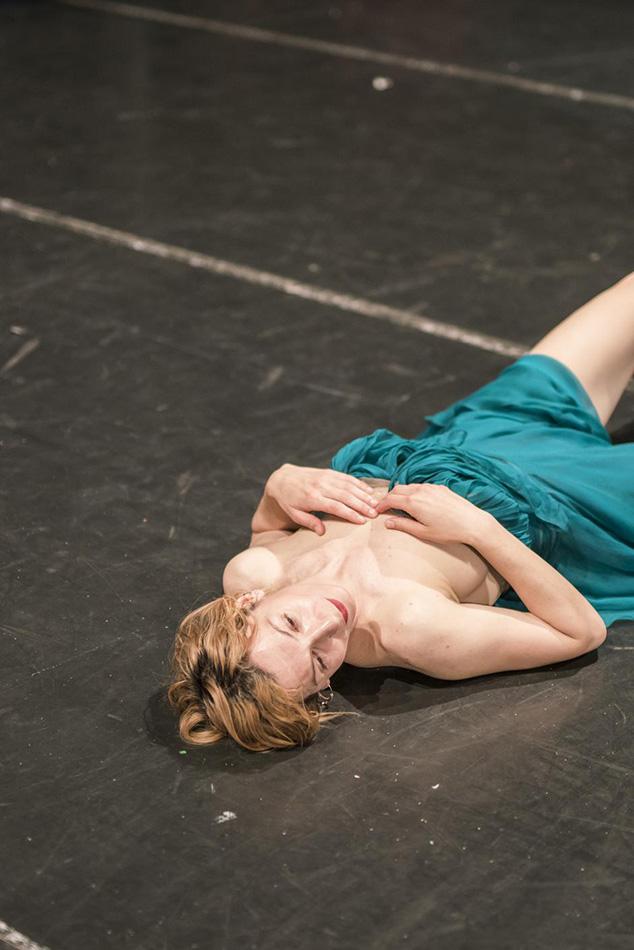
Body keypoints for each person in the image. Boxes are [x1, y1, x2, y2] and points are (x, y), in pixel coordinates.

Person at [167, 272, 634, 752]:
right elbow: (578, 632)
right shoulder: (410, 628)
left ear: (246, 606)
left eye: (290, 623)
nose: (327, 624)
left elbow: (268, 526)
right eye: (320, 663)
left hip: (475, 436)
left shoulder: (252, 572)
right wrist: (481, 530)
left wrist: (278, 486)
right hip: (570, 496)